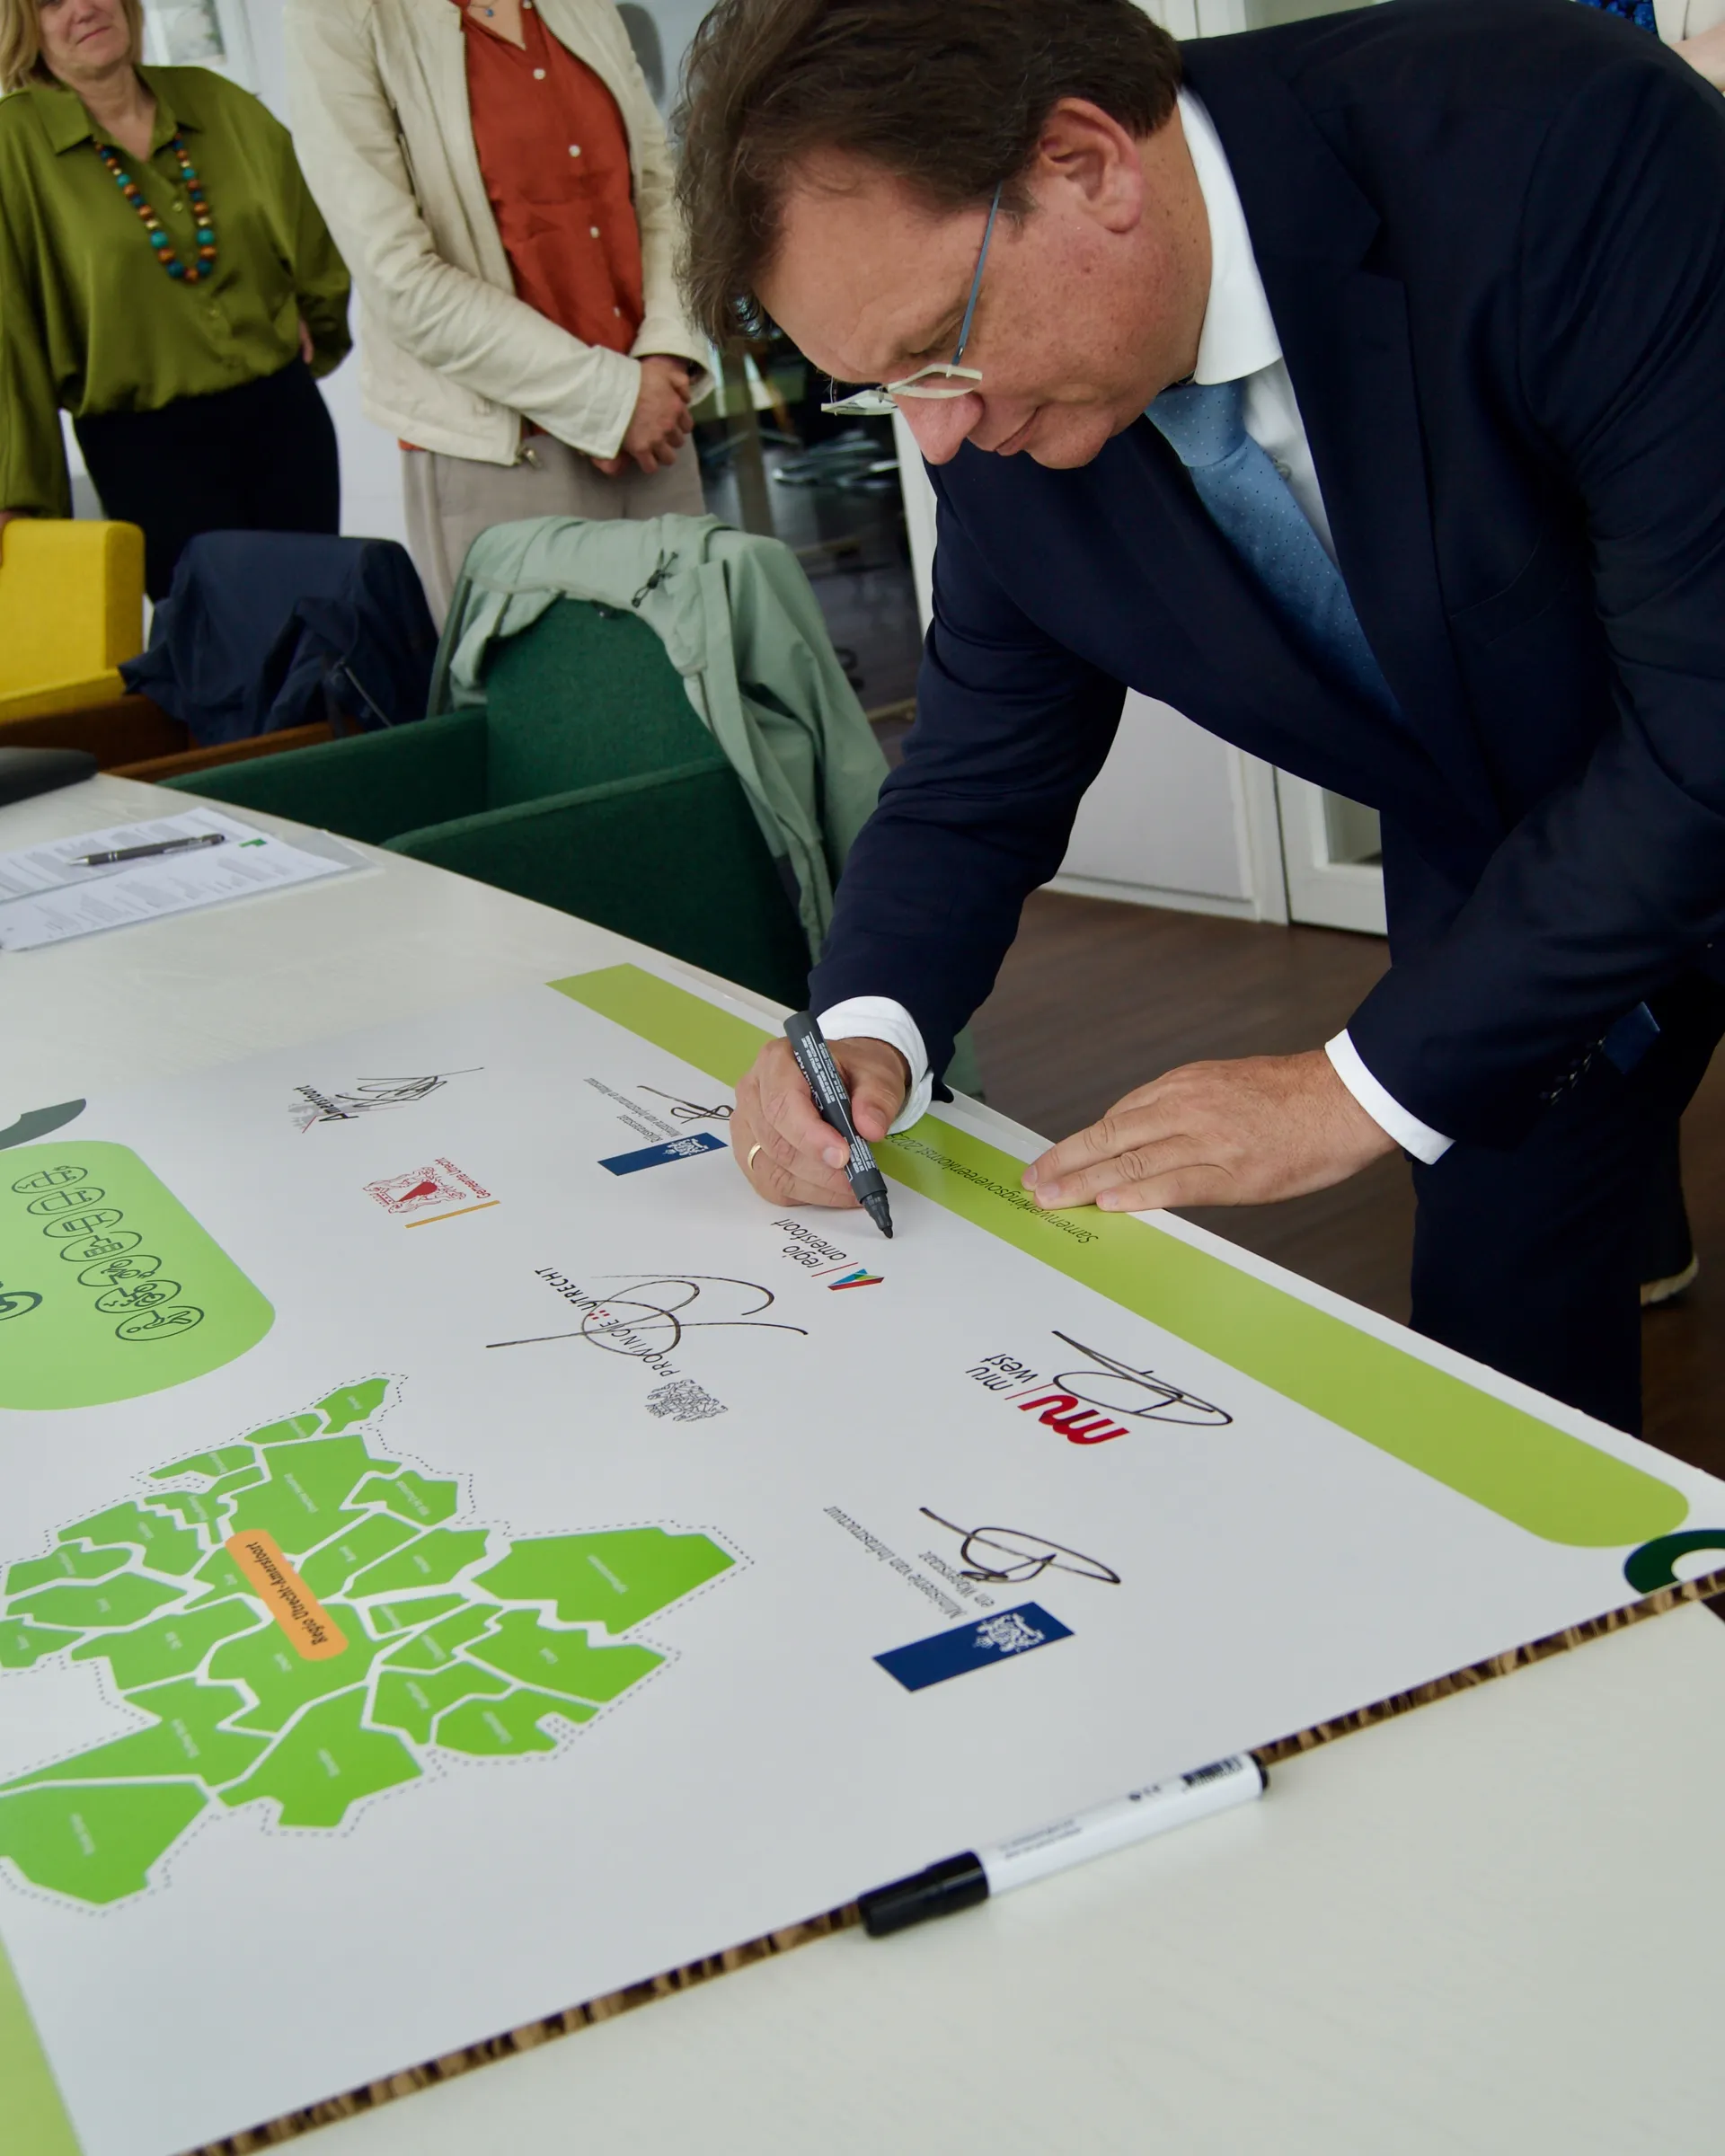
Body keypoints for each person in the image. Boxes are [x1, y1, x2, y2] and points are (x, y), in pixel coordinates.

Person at [677, 0, 1725, 1437]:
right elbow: (981, 770)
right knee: (1503, 1359)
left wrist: (1344, 1088)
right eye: (879, 386)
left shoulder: (1566, 142)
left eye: (934, 349)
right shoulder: (997, 414)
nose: (935, 439)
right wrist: (865, 1025)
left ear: (1087, 164)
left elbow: (1709, 719)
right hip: (1506, 873)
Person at [284, 0, 709, 624]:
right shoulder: (334, 16)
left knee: (695, 702)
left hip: (656, 428)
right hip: (502, 457)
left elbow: (662, 188)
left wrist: (668, 347)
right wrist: (612, 402)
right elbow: (399, 282)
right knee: (552, 717)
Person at [0, 0, 350, 598]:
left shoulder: (217, 102)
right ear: (24, 27)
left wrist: (312, 319)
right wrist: (18, 498)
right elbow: (7, 336)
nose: (84, 9)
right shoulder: (14, 145)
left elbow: (309, 232)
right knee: (223, 660)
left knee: (320, 638)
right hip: (146, 451)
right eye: (53, 2)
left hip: (284, 423)